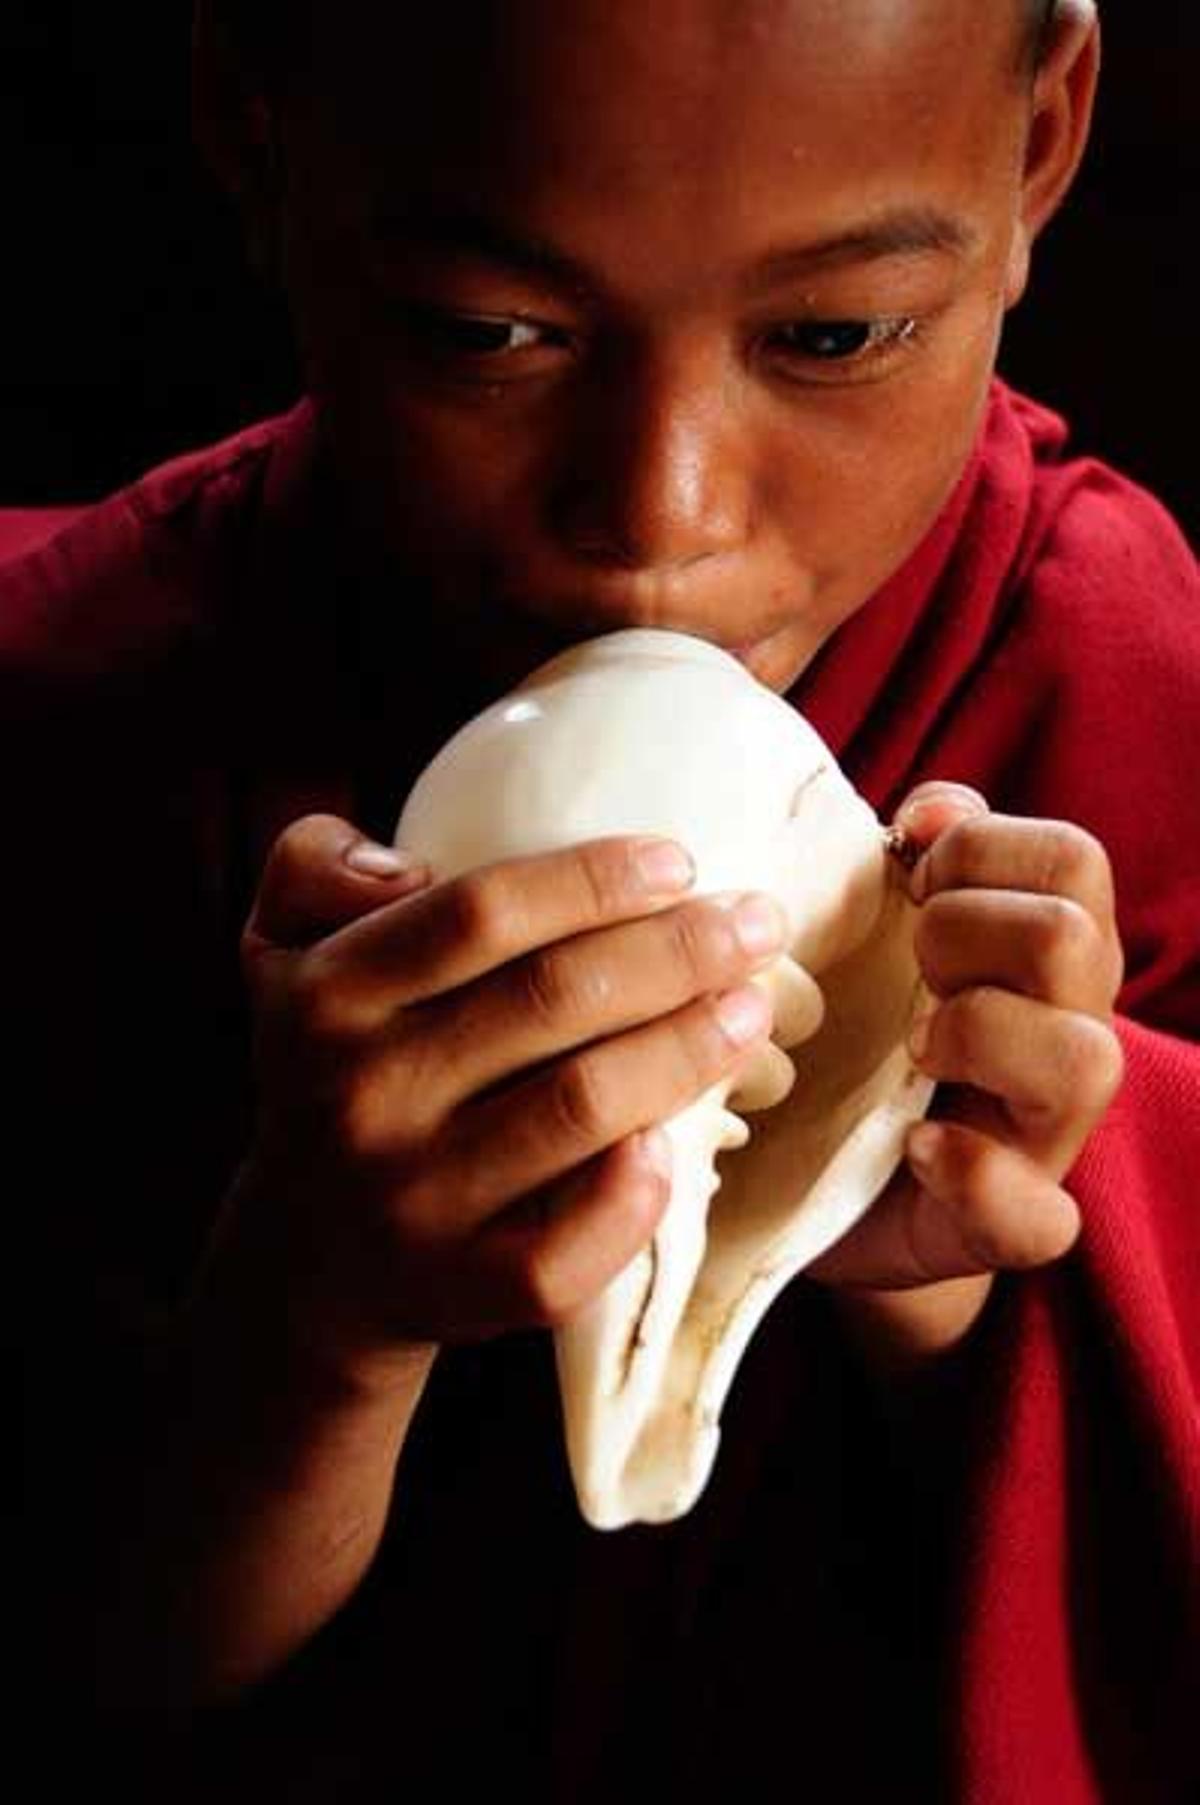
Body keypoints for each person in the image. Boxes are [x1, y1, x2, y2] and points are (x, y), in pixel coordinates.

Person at [7, 1, 1197, 1799]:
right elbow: (81, 1669)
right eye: (487, 334)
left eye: (833, 333)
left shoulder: (1112, 677)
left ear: (1040, 142)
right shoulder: (64, 711)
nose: (660, 514)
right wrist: (316, 1323)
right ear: (256, 132)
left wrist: (948, 1271)